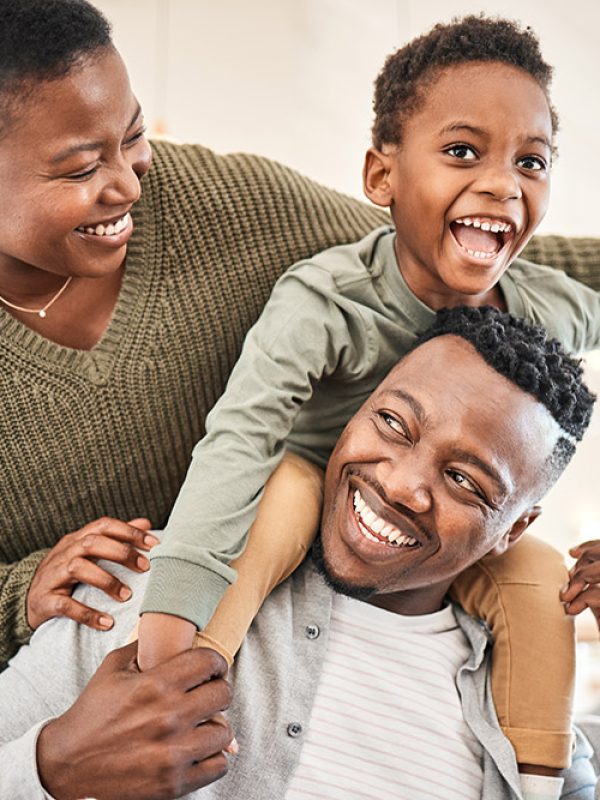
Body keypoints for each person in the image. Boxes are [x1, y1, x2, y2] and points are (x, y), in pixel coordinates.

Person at [134, 13, 600, 783]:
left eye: (532, 162)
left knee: (540, 582)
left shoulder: (546, 305)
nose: (501, 183)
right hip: (320, 494)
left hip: (432, 539)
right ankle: (177, 687)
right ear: (382, 176)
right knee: (283, 485)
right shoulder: (327, 299)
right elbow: (240, 436)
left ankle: (541, 780)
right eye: (462, 152)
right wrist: (172, 602)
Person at [0, 307, 597, 800]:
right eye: (393, 423)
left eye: (465, 481)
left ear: (513, 530)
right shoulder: (146, 594)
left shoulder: (524, 703)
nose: (399, 486)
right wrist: (52, 767)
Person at [0, 0, 387, 667]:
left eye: (132, 137)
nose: (127, 184)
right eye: (82, 168)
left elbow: (434, 258)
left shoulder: (210, 201)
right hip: (69, 708)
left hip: (301, 656)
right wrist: (18, 595)